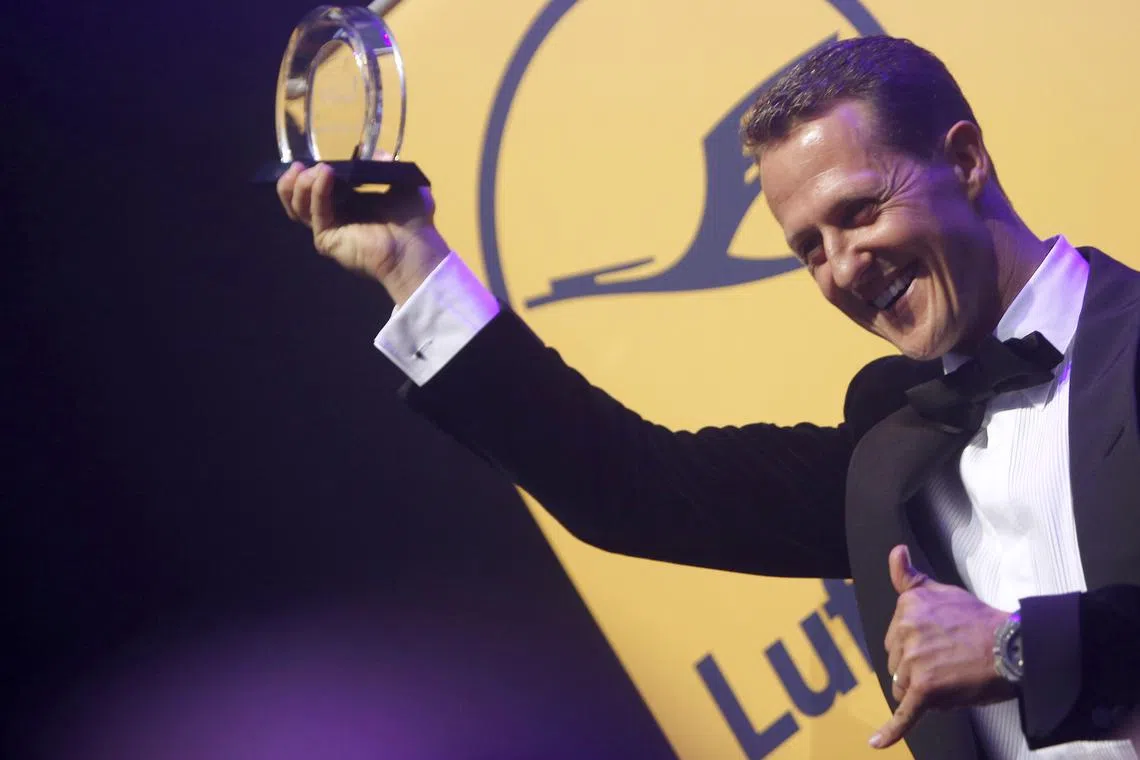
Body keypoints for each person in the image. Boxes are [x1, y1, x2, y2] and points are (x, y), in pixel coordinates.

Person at [276, 35, 1140, 760]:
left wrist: (1017, 647)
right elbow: (632, 487)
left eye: (861, 211)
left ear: (964, 159)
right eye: (808, 248)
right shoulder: (891, 446)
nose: (843, 267)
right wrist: (411, 266)